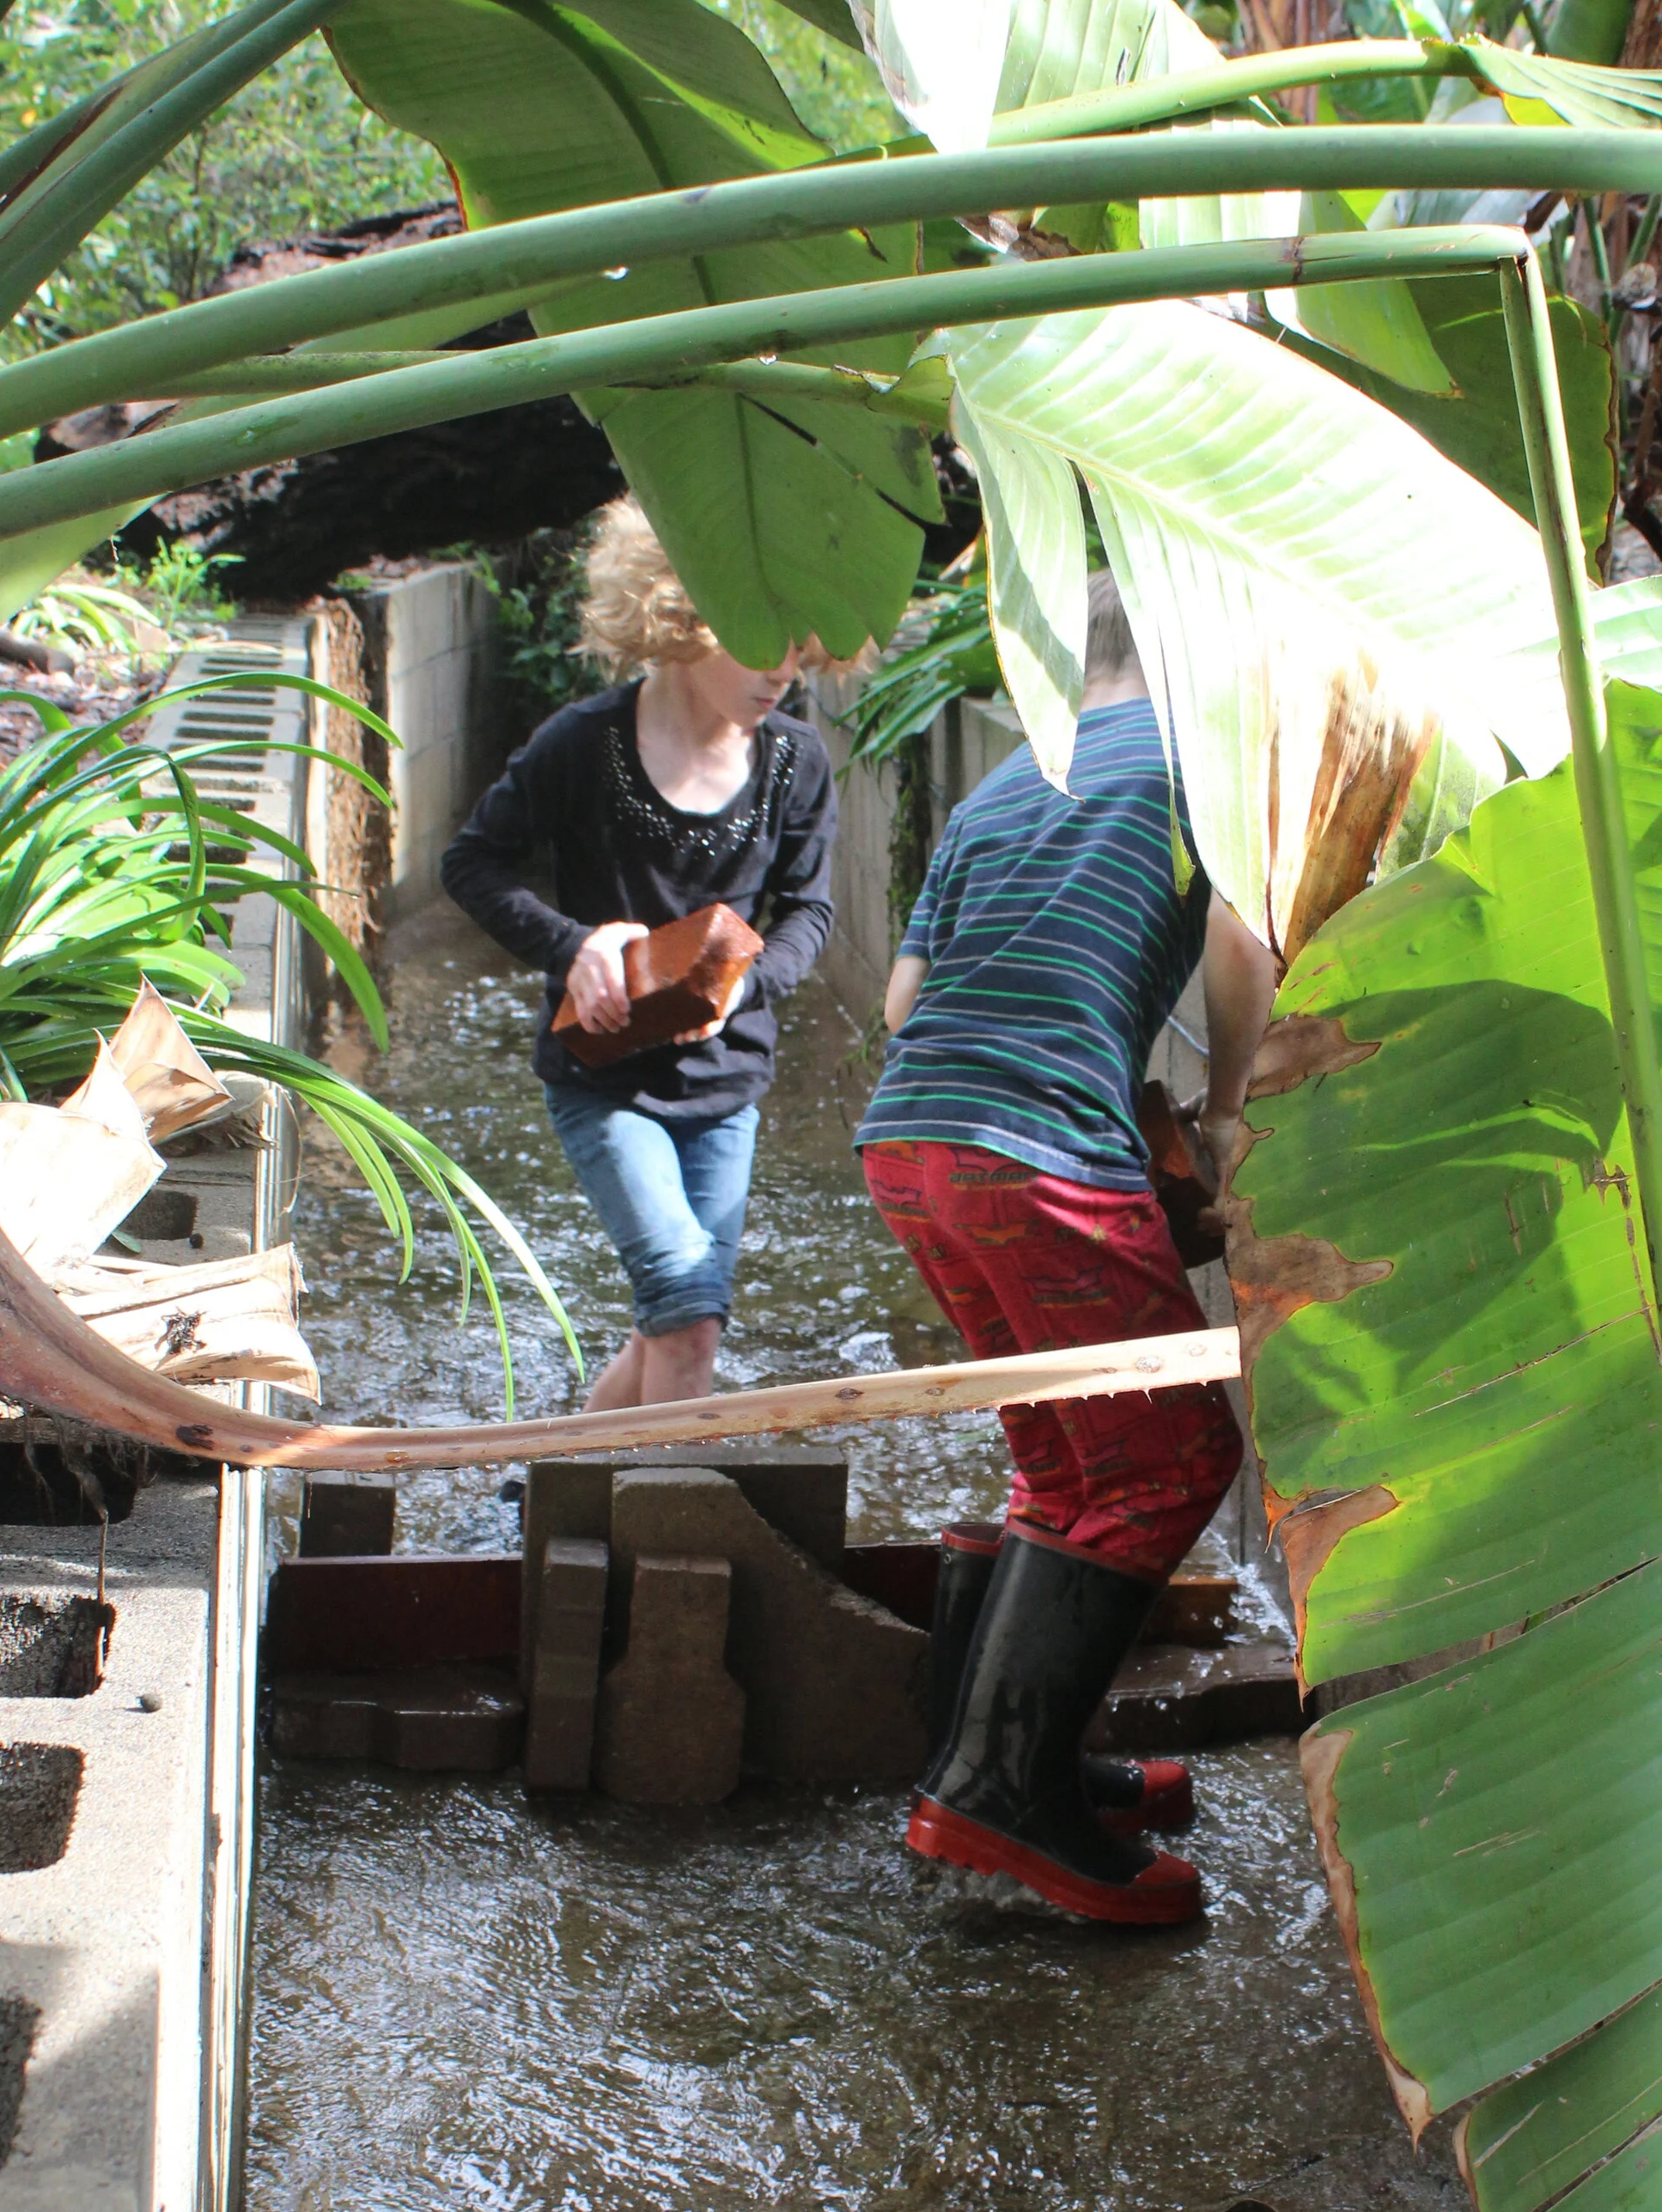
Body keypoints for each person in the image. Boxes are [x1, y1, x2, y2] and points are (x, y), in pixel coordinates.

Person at [857, 571, 1279, 1933]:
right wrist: (1227, 1119)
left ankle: (988, 1763)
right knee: (1174, 1455)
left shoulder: (1000, 784)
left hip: (911, 1144)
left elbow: (900, 996)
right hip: (1033, 1148)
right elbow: (1239, 938)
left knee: (1068, 1454)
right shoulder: (1200, 759)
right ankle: (1000, 1786)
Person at [442, 501, 842, 1407]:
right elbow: (470, 862)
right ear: (679, 618)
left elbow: (809, 913)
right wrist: (573, 943)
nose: (783, 670)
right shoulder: (582, 745)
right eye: (757, 641)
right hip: (605, 1083)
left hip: (728, 1088)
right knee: (690, 1313)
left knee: (673, 1318)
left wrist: (741, 988)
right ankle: (665, 1529)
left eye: (795, 646)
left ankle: (557, 1482)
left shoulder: (797, 761)